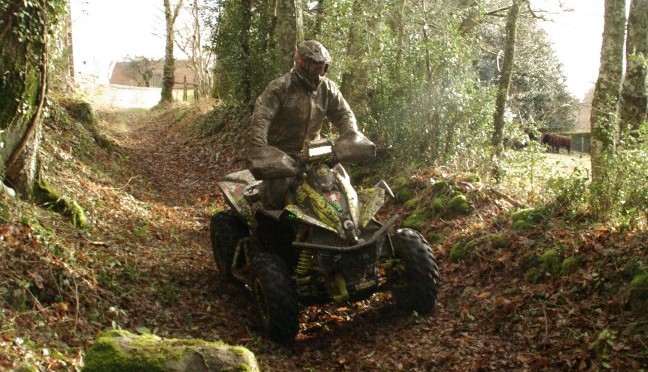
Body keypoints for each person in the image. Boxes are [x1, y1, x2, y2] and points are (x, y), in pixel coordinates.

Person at [248, 40, 367, 209]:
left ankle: (345, 224)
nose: (320, 71)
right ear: (302, 64)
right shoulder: (280, 87)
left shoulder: (328, 88)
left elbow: (343, 114)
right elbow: (262, 117)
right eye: (316, 67)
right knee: (276, 199)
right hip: (282, 155)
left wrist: (351, 135)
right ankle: (269, 231)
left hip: (315, 152)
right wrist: (260, 147)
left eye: (323, 67)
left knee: (342, 183)